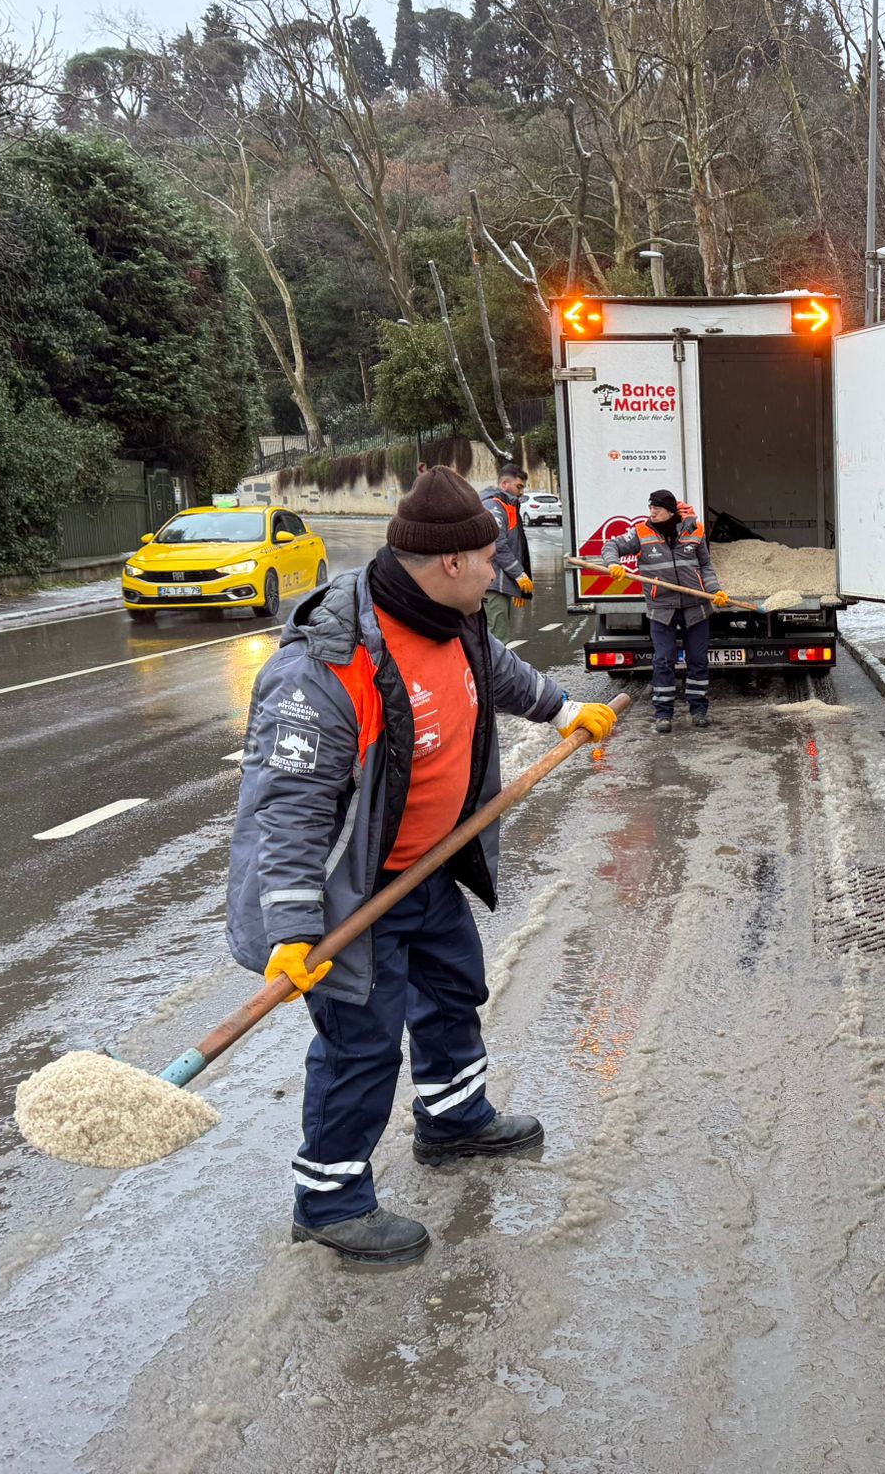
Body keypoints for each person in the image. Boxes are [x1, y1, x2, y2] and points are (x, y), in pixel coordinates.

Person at [225, 466, 619, 1266]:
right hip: (349, 895)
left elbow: (493, 672)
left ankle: (453, 1119)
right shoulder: (327, 667)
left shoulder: (457, 618)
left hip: (428, 869)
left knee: (452, 992)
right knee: (360, 1045)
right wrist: (295, 930)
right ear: (450, 564)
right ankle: (329, 1201)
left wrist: (563, 708)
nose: (502, 572)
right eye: (492, 558)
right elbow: (291, 810)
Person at [601, 488, 729, 733]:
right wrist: (613, 564)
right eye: (650, 508)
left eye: (657, 508)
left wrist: (715, 591)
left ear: (670, 511)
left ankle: (699, 710)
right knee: (663, 661)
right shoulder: (641, 533)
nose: (652, 512)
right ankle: (663, 714)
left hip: (696, 606)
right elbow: (611, 546)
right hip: (661, 608)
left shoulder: (694, 531)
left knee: (698, 661)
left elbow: (705, 565)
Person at [478, 463, 534, 645]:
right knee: (497, 639)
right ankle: (495, 674)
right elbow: (498, 544)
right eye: (519, 486)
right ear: (504, 484)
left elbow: (515, 545)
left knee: (497, 636)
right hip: (493, 584)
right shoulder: (493, 506)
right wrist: (519, 575)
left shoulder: (506, 506)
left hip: (498, 583)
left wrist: (516, 588)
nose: (522, 492)